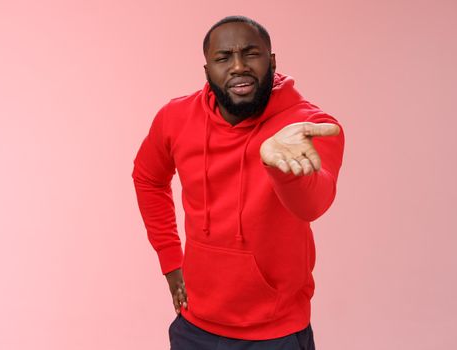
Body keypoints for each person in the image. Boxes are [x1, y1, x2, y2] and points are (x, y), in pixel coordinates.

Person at [132, 15, 345, 350]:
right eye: (223, 58)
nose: (238, 67)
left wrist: (281, 168)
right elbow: (147, 178)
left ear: (272, 62)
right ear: (207, 70)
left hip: (277, 334)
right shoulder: (175, 118)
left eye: (251, 54)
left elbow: (313, 204)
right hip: (194, 327)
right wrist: (170, 259)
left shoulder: (308, 126)